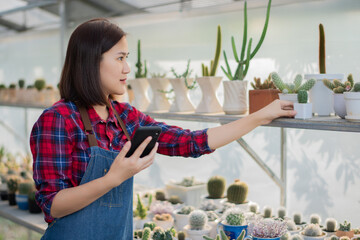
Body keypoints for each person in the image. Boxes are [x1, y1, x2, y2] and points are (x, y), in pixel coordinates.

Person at [30, 18, 296, 239]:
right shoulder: (59, 119)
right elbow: (54, 205)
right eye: (119, 58)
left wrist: (259, 117)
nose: (127, 68)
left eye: (127, 57)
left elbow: (191, 142)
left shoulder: (125, 117)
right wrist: (113, 177)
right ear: (91, 61)